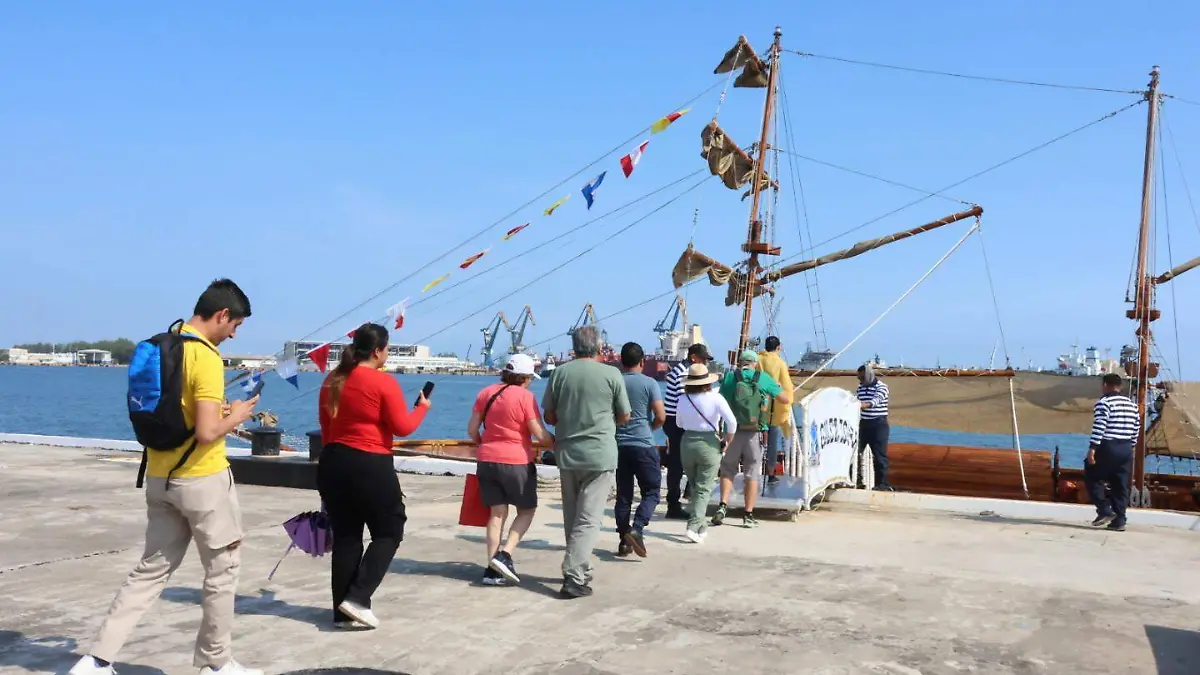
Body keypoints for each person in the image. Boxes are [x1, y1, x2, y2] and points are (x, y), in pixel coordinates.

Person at [70, 279, 262, 675]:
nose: (233, 334)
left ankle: (96, 660)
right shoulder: (206, 357)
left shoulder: (165, 345)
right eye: (235, 325)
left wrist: (215, 413)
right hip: (202, 480)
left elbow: (182, 413)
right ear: (222, 314)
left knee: (149, 571)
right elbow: (208, 432)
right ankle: (216, 663)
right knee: (223, 570)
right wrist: (237, 416)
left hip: (159, 477)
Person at [317, 323, 430, 629]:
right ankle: (358, 597)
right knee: (389, 530)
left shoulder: (332, 380)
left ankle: (342, 612)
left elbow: (327, 429)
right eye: (387, 348)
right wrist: (422, 408)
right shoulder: (382, 382)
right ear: (378, 351)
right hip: (369, 462)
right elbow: (403, 427)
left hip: (333, 461)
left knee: (347, 536)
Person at [542, 326, 631, 598]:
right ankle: (573, 574)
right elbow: (625, 415)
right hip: (600, 454)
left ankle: (580, 568)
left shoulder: (559, 373)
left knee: (573, 516)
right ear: (599, 347)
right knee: (589, 519)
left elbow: (549, 417)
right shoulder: (612, 374)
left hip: (567, 453)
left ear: (574, 346)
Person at [466, 353, 554, 586]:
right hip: (516, 461)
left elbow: (472, 429)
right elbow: (538, 433)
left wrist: (482, 443)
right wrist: (555, 442)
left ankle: (491, 570)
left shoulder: (486, 393)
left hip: (487, 459)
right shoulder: (525, 397)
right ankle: (505, 554)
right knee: (526, 510)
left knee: (496, 514)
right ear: (525, 378)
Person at [712, 350, 788, 528]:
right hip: (754, 432)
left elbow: (720, 401)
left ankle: (723, 505)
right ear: (754, 363)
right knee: (752, 473)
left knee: (727, 470)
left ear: (740, 362)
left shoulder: (730, 378)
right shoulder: (763, 378)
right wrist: (775, 387)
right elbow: (784, 399)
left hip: (732, 431)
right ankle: (748, 514)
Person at [613, 342, 666, 558]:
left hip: (618, 446)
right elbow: (661, 416)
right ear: (642, 361)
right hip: (643, 444)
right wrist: (650, 427)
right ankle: (638, 527)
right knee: (652, 491)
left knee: (623, 495)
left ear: (620, 361)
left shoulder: (614, 383)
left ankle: (624, 541)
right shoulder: (649, 383)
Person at [674, 363, 736, 543]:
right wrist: (727, 440)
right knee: (704, 488)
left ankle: (701, 526)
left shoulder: (682, 399)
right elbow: (732, 423)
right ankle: (693, 526)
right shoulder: (716, 398)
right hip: (708, 443)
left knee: (696, 486)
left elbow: (679, 423)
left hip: (687, 443)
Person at [661, 343, 714, 520]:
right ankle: (675, 504)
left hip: (673, 421)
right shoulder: (684, 374)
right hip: (678, 423)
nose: (705, 364)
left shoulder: (679, 370)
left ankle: (681, 498)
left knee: (680, 462)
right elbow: (693, 400)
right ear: (693, 358)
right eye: (703, 360)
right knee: (679, 463)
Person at [1085, 372, 1139, 532]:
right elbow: (1136, 428)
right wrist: (1131, 446)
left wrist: (1093, 448)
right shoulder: (1132, 405)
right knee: (1119, 484)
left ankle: (1104, 510)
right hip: (1126, 447)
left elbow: (1099, 426)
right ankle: (1120, 520)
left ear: (1105, 385)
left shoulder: (1104, 403)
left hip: (1108, 445)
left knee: (1092, 475)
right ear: (1120, 386)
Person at [757, 336, 795, 484]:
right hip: (772, 409)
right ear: (779, 347)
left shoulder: (758, 359)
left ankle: (752, 471)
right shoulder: (780, 363)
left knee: (754, 442)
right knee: (772, 443)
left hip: (756, 408)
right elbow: (787, 387)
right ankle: (770, 473)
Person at [856, 363, 891, 490]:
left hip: (878, 424)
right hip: (863, 423)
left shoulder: (882, 387)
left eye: (862, 378)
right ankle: (857, 480)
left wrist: (859, 405)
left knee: (879, 455)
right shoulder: (860, 388)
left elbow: (875, 402)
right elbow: (856, 399)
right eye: (859, 378)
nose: (860, 380)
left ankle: (882, 483)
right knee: (855, 452)